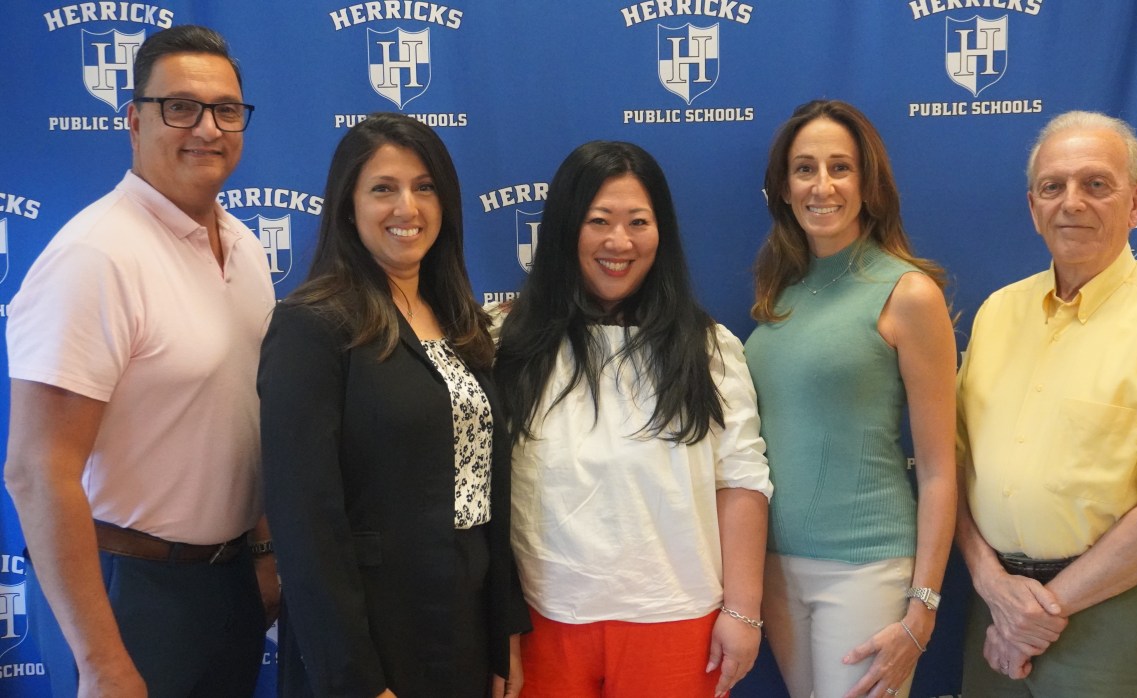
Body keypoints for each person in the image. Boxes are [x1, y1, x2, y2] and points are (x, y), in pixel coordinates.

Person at [3, 25, 276, 698]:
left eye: (226, 110)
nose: (207, 128)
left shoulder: (242, 245)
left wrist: (264, 551)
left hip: (227, 582)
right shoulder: (96, 257)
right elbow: (37, 472)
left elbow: (248, 416)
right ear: (132, 119)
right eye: (179, 107)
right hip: (130, 591)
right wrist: (101, 661)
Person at [257, 112, 528, 698]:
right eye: (384, 188)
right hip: (373, 633)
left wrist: (504, 627)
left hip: (466, 619)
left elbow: (487, 495)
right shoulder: (313, 324)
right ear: (347, 206)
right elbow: (306, 523)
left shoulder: (461, 322)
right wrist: (356, 680)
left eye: (424, 187)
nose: (407, 206)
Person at [491, 140, 771, 698]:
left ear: (660, 232)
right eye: (598, 221)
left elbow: (740, 479)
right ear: (566, 229)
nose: (619, 242)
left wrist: (743, 612)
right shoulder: (504, 341)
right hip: (542, 623)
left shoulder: (707, 346)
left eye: (638, 222)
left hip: (674, 620)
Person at [955, 111, 1137, 696]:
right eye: (1052, 186)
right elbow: (954, 469)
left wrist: (1036, 616)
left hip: (1115, 609)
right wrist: (993, 586)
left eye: (1096, 184)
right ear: (1033, 205)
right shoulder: (996, 313)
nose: (1071, 202)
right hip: (995, 605)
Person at [744, 99, 957, 698]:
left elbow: (940, 468)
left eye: (840, 168)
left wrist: (923, 607)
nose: (823, 185)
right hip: (777, 569)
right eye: (804, 168)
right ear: (784, 188)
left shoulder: (907, 292)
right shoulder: (781, 291)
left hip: (867, 567)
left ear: (867, 183)